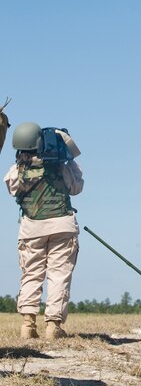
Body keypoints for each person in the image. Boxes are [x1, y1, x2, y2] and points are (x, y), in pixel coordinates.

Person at [3, 122, 84, 340]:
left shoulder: (16, 172)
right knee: (59, 275)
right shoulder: (60, 167)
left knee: (31, 274)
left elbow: (12, 189)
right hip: (63, 226)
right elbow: (77, 187)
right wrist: (68, 157)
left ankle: (28, 324)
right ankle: (53, 325)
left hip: (31, 228)